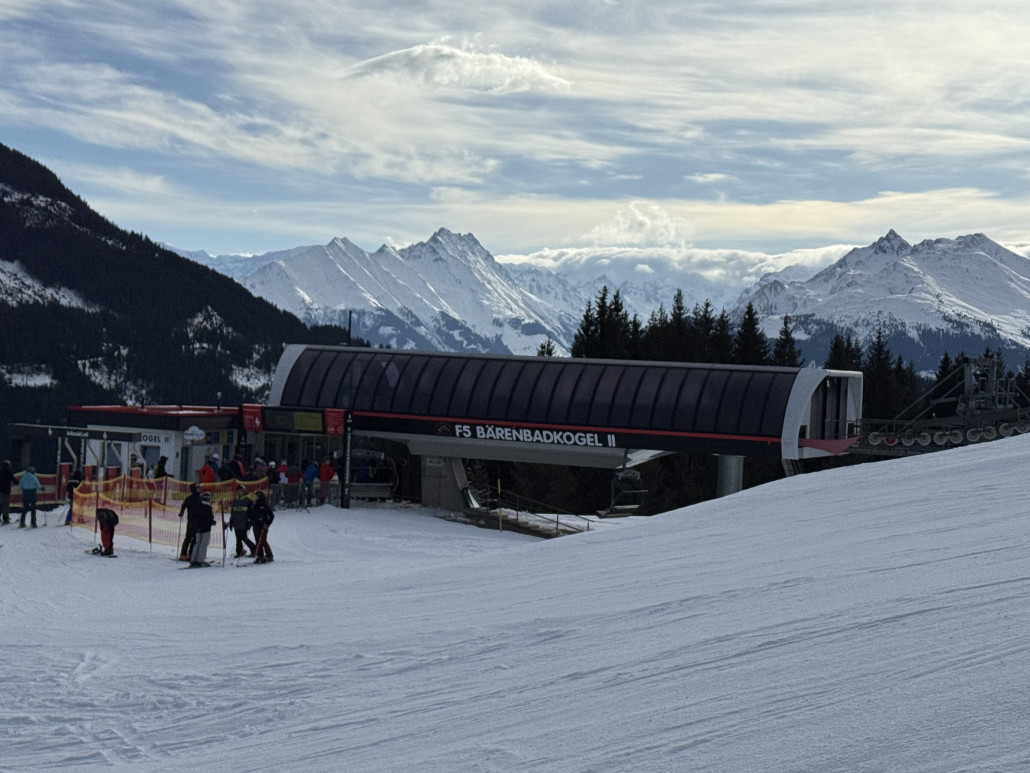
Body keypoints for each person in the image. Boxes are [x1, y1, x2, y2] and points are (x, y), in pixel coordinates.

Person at [188, 491, 217, 567]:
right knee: (204, 544)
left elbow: (194, 516)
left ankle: (193, 559)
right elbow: (209, 518)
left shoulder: (198, 506)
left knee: (197, 543)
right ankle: (200, 560)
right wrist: (213, 522)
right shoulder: (207, 507)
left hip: (198, 528)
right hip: (205, 528)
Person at [226, 485, 256, 558]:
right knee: (238, 538)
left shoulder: (248, 501)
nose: (239, 492)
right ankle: (239, 552)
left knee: (243, 537)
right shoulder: (236, 501)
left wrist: (250, 520)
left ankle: (254, 549)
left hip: (244, 522)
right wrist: (231, 520)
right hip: (237, 522)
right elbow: (233, 512)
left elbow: (251, 512)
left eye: (240, 490)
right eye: (238, 491)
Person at [177, 482, 202, 560]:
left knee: (194, 539)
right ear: (194, 489)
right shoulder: (191, 498)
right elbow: (183, 506)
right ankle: (184, 554)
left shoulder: (199, 498)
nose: (200, 489)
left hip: (197, 521)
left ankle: (190, 554)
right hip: (192, 521)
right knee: (189, 538)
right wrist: (181, 513)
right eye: (198, 488)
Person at [250, 490, 275, 564]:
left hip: (263, 526)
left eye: (256, 497)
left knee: (263, 540)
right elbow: (252, 515)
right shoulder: (254, 506)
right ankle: (260, 555)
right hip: (255, 525)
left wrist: (267, 523)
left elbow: (271, 516)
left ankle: (269, 555)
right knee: (257, 541)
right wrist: (251, 521)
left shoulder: (265, 506)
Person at [0, 459, 16, 525]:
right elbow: (13, 479)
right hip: (6, 490)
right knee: (5, 504)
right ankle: (5, 518)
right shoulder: (9, 472)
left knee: (0, 504)